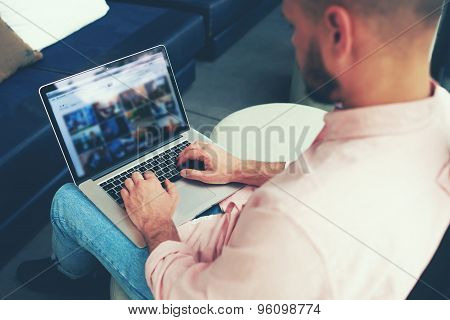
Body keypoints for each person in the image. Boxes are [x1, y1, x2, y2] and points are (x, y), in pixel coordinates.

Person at [18, 0, 449, 299]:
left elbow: (195, 304)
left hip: (203, 277)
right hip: (251, 239)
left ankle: (73, 279)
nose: (293, 43)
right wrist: (240, 167)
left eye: (294, 24)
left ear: (338, 31)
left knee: (70, 199)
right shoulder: (436, 119)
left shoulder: (296, 226)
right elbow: (323, 179)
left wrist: (156, 225)